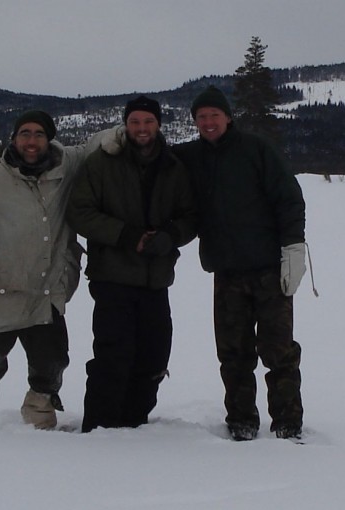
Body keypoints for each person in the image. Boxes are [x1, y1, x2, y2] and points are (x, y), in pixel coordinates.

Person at [0, 110, 94, 434]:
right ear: (14, 138)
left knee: (52, 363)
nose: (31, 141)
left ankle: (39, 416)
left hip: (46, 292)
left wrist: (130, 129)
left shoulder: (65, 166)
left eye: (39, 134)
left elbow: (97, 144)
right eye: (25, 133)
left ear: (49, 139)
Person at [173, 86, 308, 441]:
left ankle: (288, 421)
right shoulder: (190, 157)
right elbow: (150, 154)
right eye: (201, 117)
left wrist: (293, 246)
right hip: (227, 271)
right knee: (233, 353)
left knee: (279, 351)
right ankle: (241, 419)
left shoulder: (256, 149)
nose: (208, 122)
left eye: (214, 115)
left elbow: (288, 198)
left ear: (228, 117)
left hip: (269, 268)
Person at [67, 95, 197, 433]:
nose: (142, 128)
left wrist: (170, 236)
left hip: (156, 278)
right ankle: (101, 426)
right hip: (112, 275)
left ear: (159, 124)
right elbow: (80, 212)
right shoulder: (101, 163)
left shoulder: (173, 167)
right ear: (125, 125)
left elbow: (190, 215)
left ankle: (135, 424)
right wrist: (126, 236)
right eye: (135, 122)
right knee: (113, 354)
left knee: (154, 356)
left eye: (148, 121)